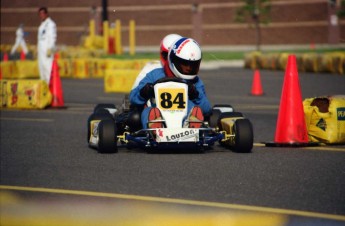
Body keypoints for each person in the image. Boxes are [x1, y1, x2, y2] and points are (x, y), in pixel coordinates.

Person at [129, 37, 212, 129]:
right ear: (173, 60)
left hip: (184, 116)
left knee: (192, 107)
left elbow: (207, 109)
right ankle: (156, 127)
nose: (189, 68)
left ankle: (190, 125)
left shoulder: (195, 82)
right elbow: (133, 98)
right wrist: (143, 93)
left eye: (193, 65)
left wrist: (196, 95)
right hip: (157, 111)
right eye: (185, 63)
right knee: (148, 111)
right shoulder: (154, 75)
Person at [37, 7, 57, 84]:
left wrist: (50, 49)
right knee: (42, 73)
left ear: (46, 14)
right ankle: (44, 93)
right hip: (41, 54)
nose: (41, 15)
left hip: (47, 53)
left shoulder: (51, 24)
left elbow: (53, 38)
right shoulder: (41, 26)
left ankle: (51, 92)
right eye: (40, 14)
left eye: (43, 13)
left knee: (48, 72)